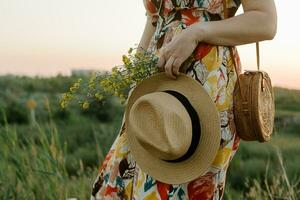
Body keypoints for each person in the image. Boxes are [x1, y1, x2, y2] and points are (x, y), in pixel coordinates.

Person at [91, 0, 277, 199]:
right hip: (153, 88)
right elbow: (155, 18)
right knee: (124, 182)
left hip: (204, 85)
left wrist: (197, 32)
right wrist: (137, 75)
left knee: (179, 187)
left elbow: (266, 22)